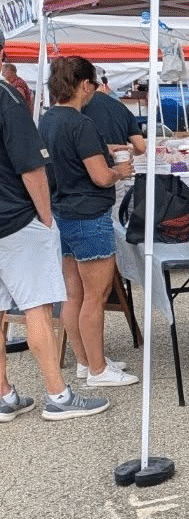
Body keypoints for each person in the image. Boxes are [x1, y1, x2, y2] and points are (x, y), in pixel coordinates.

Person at [0, 32, 109, 421]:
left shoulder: (35, 109)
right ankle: (57, 394)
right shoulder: (8, 98)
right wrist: (45, 219)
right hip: (16, 218)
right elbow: (30, 166)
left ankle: (4, 394)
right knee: (38, 307)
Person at [39, 56, 137, 388]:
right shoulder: (81, 124)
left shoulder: (48, 119)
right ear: (85, 85)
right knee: (95, 295)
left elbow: (69, 155)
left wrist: (102, 149)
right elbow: (100, 177)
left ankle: (86, 362)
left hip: (62, 213)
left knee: (73, 294)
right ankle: (98, 370)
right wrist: (119, 171)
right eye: (94, 84)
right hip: (89, 214)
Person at [81, 75, 146, 157]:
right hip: (118, 163)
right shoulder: (121, 108)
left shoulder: (79, 106)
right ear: (105, 86)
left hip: (89, 164)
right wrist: (129, 150)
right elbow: (140, 148)